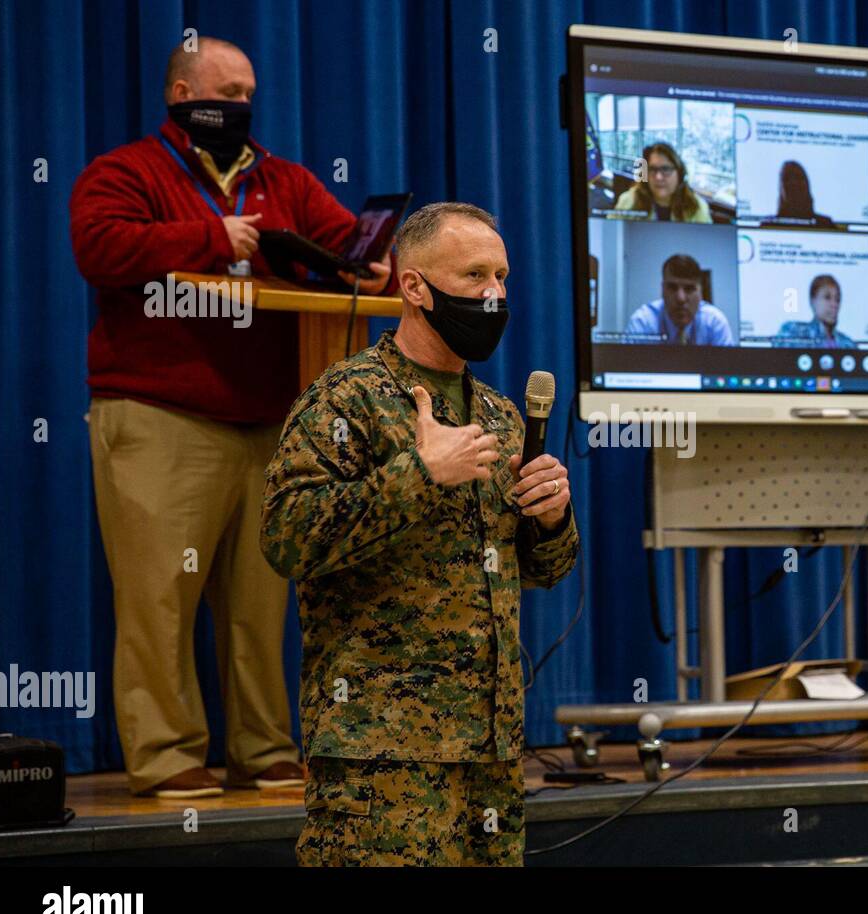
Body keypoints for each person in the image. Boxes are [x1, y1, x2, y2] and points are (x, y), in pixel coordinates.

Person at [70, 37, 392, 799]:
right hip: (158, 413)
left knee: (260, 601)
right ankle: (167, 752)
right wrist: (212, 238)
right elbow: (99, 245)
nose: (240, 107)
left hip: (269, 420)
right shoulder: (126, 172)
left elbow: (345, 239)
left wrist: (371, 263)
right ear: (181, 94)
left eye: (249, 93)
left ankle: (263, 747)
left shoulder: (282, 179)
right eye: (226, 92)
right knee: (158, 598)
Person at [260, 202, 580, 866]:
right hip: (382, 752)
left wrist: (552, 519)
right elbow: (287, 539)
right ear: (413, 286)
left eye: (503, 277)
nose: (494, 295)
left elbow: (538, 570)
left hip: (490, 747)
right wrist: (419, 475)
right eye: (474, 277)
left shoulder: (500, 413)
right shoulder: (345, 401)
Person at [625, 254, 735, 345]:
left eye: (689, 289)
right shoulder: (642, 322)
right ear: (662, 290)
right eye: (672, 287)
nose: (681, 299)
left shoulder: (714, 323)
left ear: (701, 293)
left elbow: (728, 370)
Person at [613, 142, 713, 223]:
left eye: (666, 169)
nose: (658, 177)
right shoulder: (628, 201)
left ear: (680, 174)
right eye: (652, 169)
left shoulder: (697, 207)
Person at [777, 275, 856, 347]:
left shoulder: (848, 344)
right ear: (812, 301)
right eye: (827, 297)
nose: (834, 305)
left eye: (837, 299)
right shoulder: (793, 332)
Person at [765, 160, 834, 227]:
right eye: (787, 179)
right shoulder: (769, 223)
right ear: (781, 188)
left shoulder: (825, 223)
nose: (793, 183)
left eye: (798, 177)